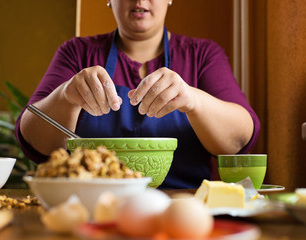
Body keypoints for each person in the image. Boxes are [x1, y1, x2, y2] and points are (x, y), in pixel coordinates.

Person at [15, 0, 260, 189]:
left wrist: (193, 100)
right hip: (92, 208)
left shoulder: (203, 55)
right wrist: (65, 96)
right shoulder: (76, 52)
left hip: (183, 208)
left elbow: (239, 139)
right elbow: (34, 141)